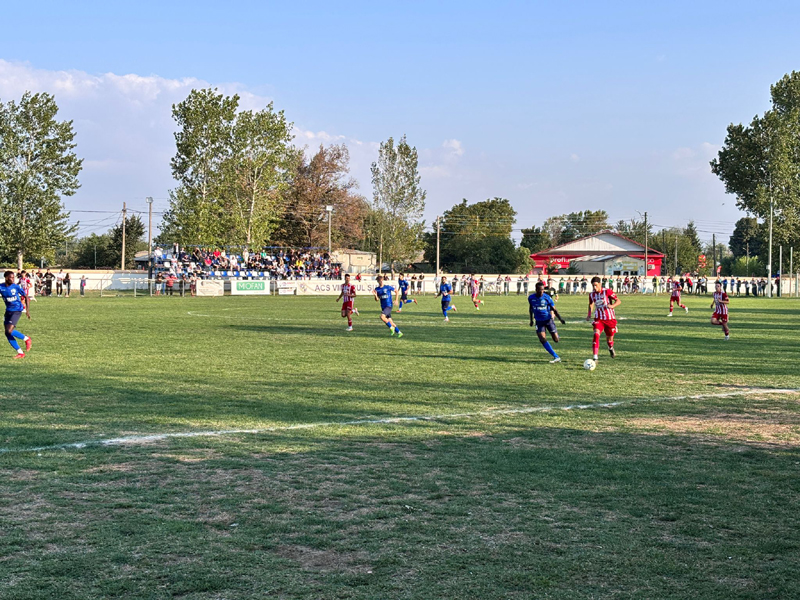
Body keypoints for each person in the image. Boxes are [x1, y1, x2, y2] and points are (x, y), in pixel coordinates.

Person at [528, 281, 566, 364]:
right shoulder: (531, 298)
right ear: (536, 289)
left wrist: (560, 319)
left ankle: (556, 335)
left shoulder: (547, 297)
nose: (541, 291)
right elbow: (531, 308)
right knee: (542, 339)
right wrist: (531, 320)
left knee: (556, 340)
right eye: (540, 290)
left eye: (543, 290)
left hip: (548, 320)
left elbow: (554, 309)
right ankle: (556, 356)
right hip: (539, 321)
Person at [587, 276, 621, 361]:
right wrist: (589, 314)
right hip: (599, 319)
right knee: (596, 334)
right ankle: (595, 357)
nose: (594, 287)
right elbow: (591, 304)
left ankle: (610, 347)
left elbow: (618, 301)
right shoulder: (591, 294)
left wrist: (612, 306)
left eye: (596, 285)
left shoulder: (607, 291)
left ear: (600, 284)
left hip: (610, 319)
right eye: (593, 286)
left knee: (610, 339)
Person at [1, 270, 32, 359]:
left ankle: (26, 339)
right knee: (7, 333)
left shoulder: (16, 287)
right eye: (10, 277)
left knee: (9, 331)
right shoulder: (1, 287)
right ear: (6, 278)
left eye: (13, 277)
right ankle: (20, 353)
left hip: (17, 310)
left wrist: (27, 311)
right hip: (8, 311)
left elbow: (26, 297)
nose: (12, 279)